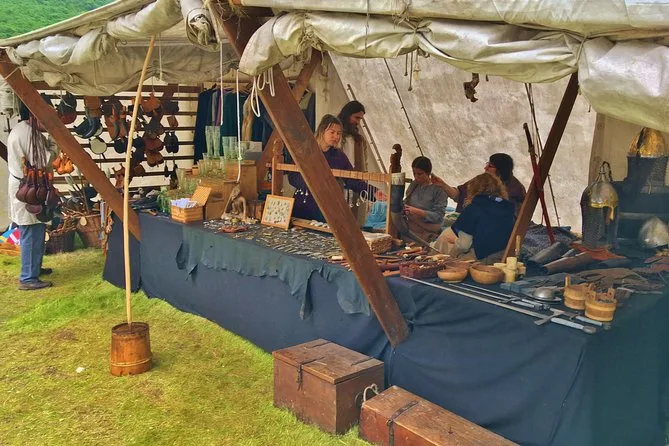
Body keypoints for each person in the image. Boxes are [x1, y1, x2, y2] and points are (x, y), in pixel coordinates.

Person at [7, 102, 57, 290]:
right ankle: (28, 278)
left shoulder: (25, 129)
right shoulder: (27, 133)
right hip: (28, 188)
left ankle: (34, 268)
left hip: (28, 186)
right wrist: (54, 140)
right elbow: (44, 160)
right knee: (31, 230)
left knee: (36, 228)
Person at [288, 114, 371, 222]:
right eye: (332, 132)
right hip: (303, 206)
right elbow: (292, 176)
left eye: (338, 133)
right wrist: (312, 184)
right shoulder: (306, 151)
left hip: (326, 209)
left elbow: (352, 180)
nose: (336, 136)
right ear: (322, 131)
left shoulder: (339, 156)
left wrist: (373, 192)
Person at [434, 173, 515, 262]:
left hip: (483, 258)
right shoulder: (508, 207)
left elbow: (463, 245)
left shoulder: (474, 208)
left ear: (473, 189)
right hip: (505, 256)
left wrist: (452, 255)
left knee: (445, 243)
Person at [432, 153, 526, 215]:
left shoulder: (515, 189)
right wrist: (442, 185)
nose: (485, 168)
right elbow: (460, 195)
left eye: (490, 166)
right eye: (487, 164)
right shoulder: (481, 180)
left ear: (501, 170)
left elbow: (512, 218)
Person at [392, 156, 448, 243]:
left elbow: (438, 216)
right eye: (414, 173)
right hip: (409, 231)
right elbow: (406, 201)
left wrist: (417, 211)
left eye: (420, 174)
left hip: (426, 234)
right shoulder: (414, 185)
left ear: (428, 173)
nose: (416, 177)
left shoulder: (439, 189)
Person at [337, 101, 367, 171]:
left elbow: (365, 166)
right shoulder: (333, 137)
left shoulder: (360, 141)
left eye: (360, 119)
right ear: (347, 115)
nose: (358, 122)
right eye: (356, 118)